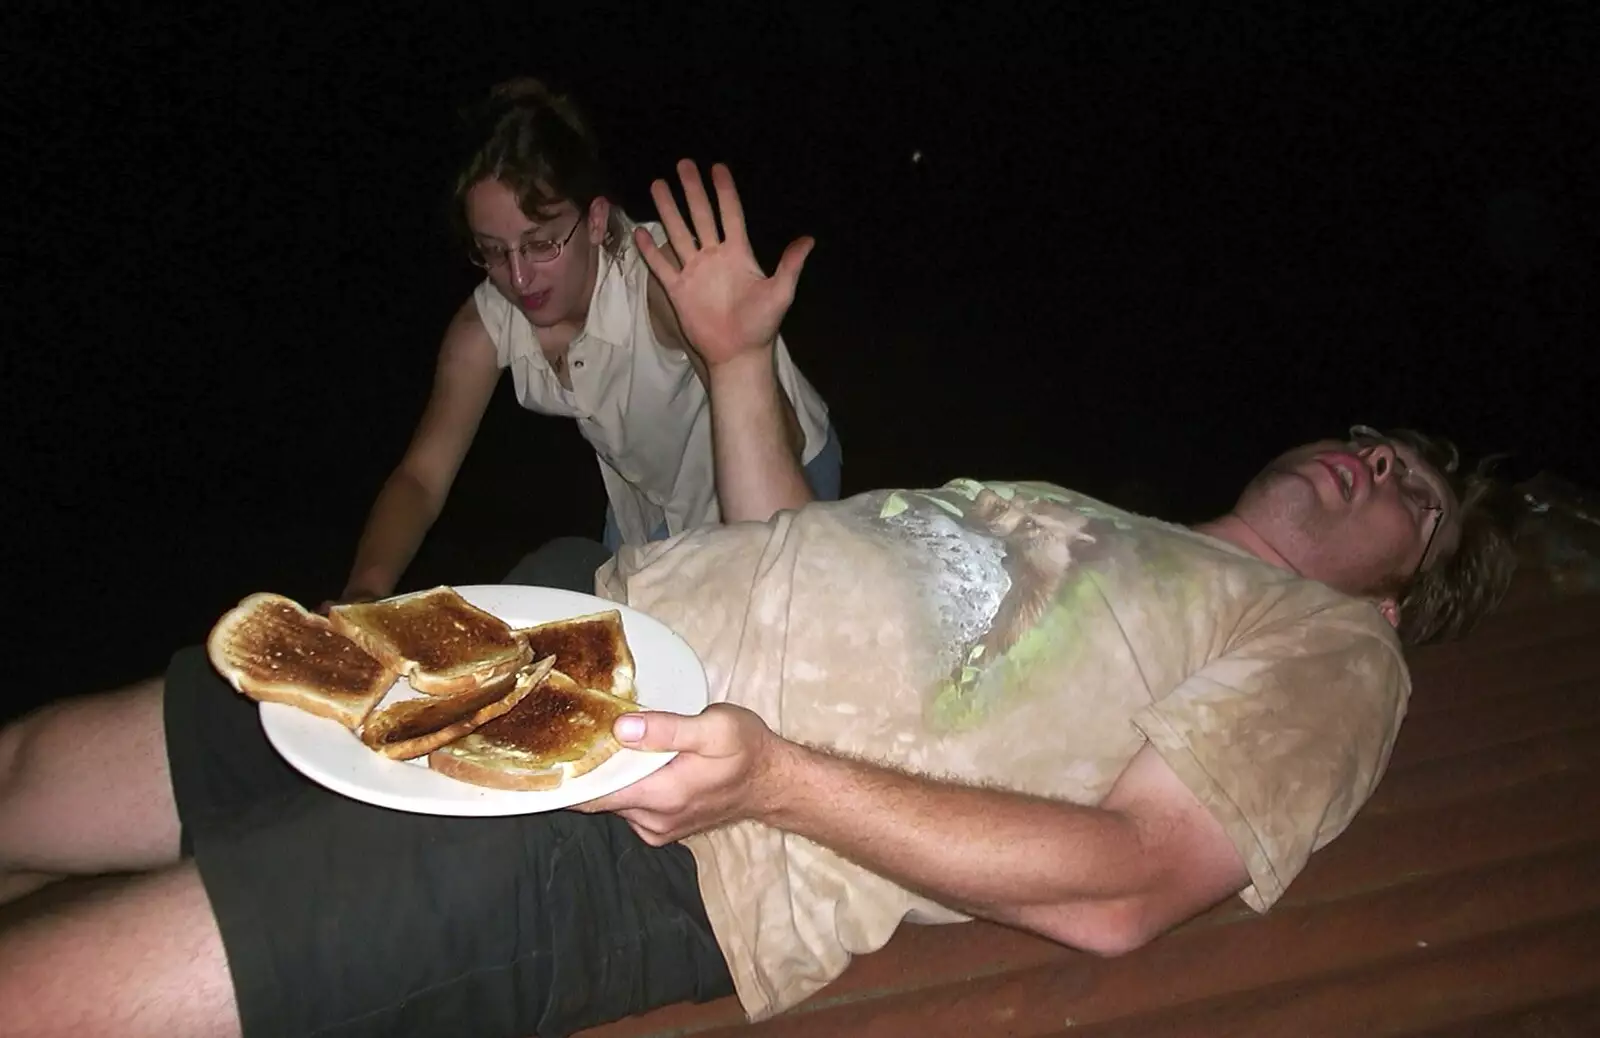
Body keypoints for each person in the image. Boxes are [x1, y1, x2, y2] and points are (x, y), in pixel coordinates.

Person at [0, 161, 1520, 1038]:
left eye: (1411, 490)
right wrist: (735, 360)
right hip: (564, 615)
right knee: (44, 768)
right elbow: (785, 545)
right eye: (1369, 438)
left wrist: (774, 779)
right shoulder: (1092, 515)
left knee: (59, 984)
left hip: (672, 838)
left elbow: (1130, 881)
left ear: (1401, 595)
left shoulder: (1332, 652)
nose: (1368, 458)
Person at [333, 78, 841, 606]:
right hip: (645, 502)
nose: (519, 278)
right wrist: (365, 589)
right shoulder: (482, 326)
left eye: (541, 243)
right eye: (491, 250)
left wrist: (740, 357)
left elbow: (786, 441)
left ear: (596, 220)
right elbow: (421, 477)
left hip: (778, 466)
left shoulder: (667, 286)